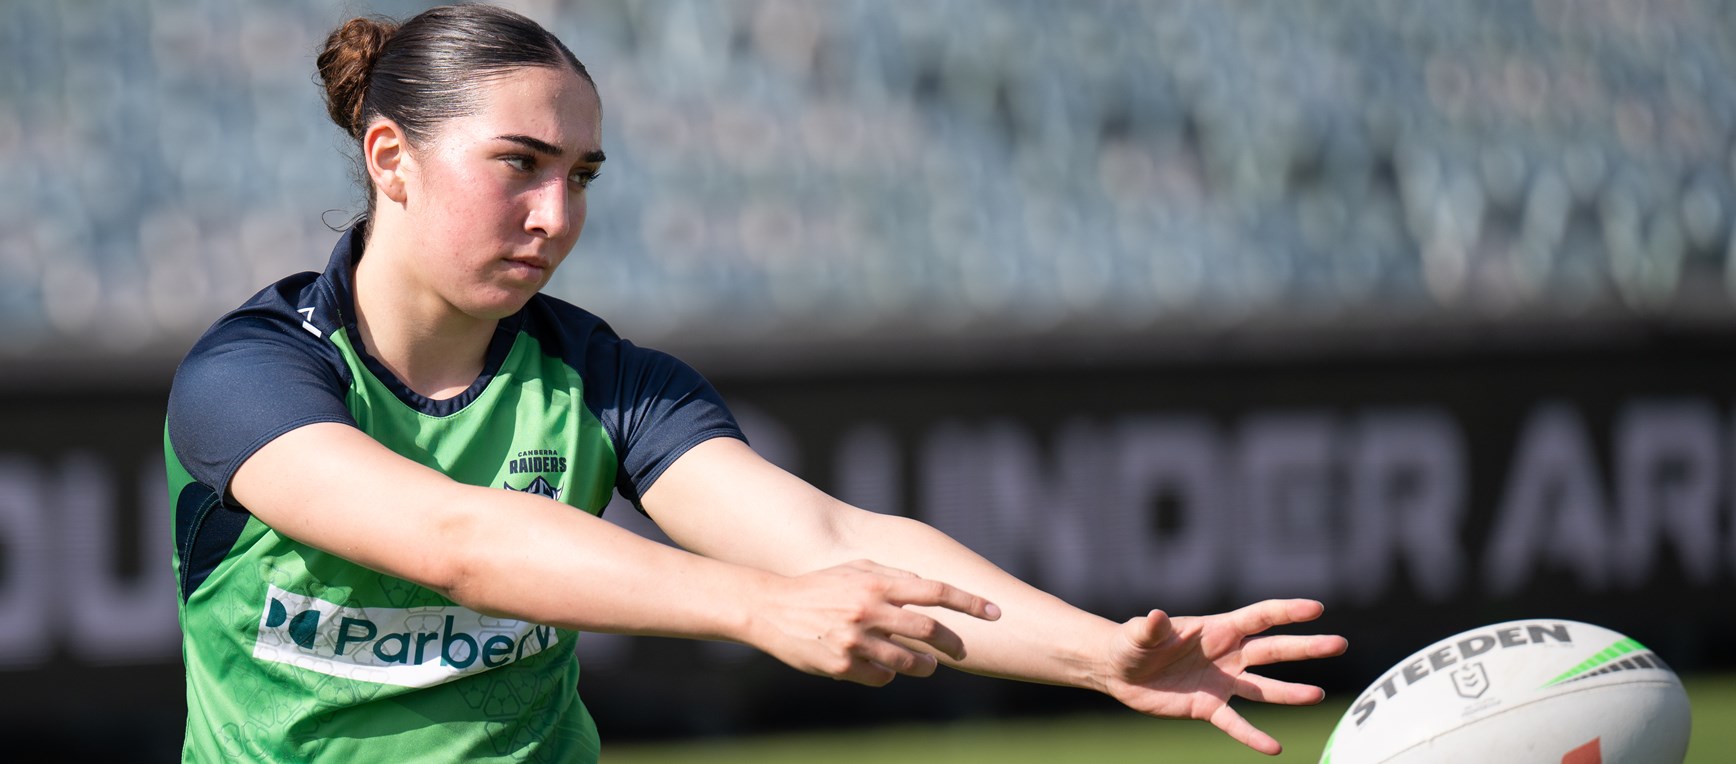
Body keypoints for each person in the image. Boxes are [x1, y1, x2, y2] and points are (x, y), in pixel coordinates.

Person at [164, 5, 1347, 762]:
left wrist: (1096, 653)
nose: (558, 216)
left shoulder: (604, 375)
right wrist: (750, 606)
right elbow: (453, 536)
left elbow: (824, 531)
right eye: (518, 165)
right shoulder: (249, 373)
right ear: (391, 159)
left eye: (581, 174)